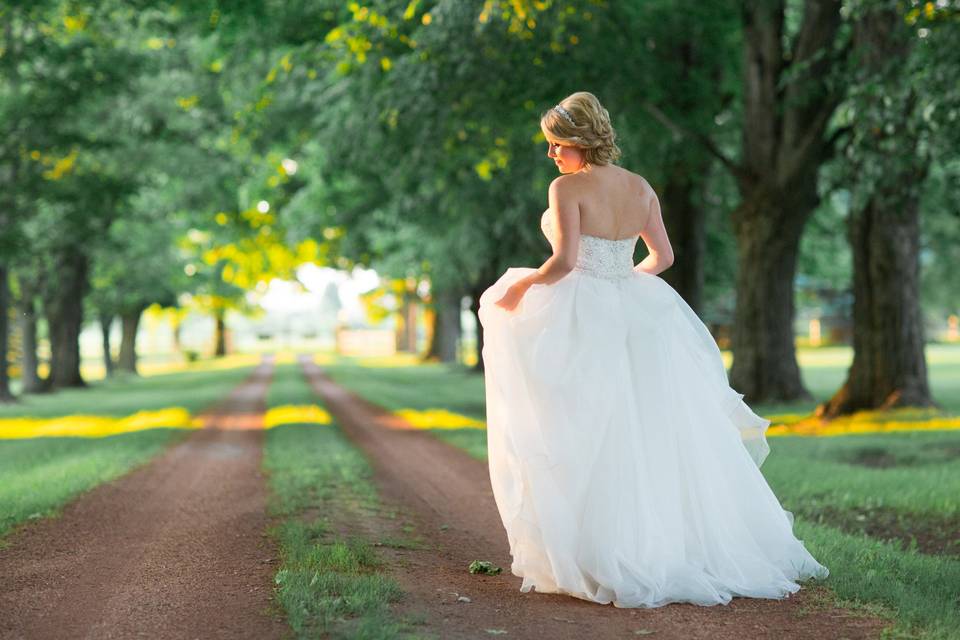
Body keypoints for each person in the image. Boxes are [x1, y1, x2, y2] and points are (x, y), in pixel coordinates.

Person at [477, 91, 829, 608]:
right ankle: (660, 542)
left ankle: (602, 549)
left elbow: (564, 261)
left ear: (578, 142)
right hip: (637, 313)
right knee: (646, 428)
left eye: (556, 144)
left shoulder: (566, 188)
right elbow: (662, 257)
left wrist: (519, 289)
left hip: (585, 315)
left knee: (585, 426)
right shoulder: (640, 187)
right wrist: (623, 283)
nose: (551, 155)